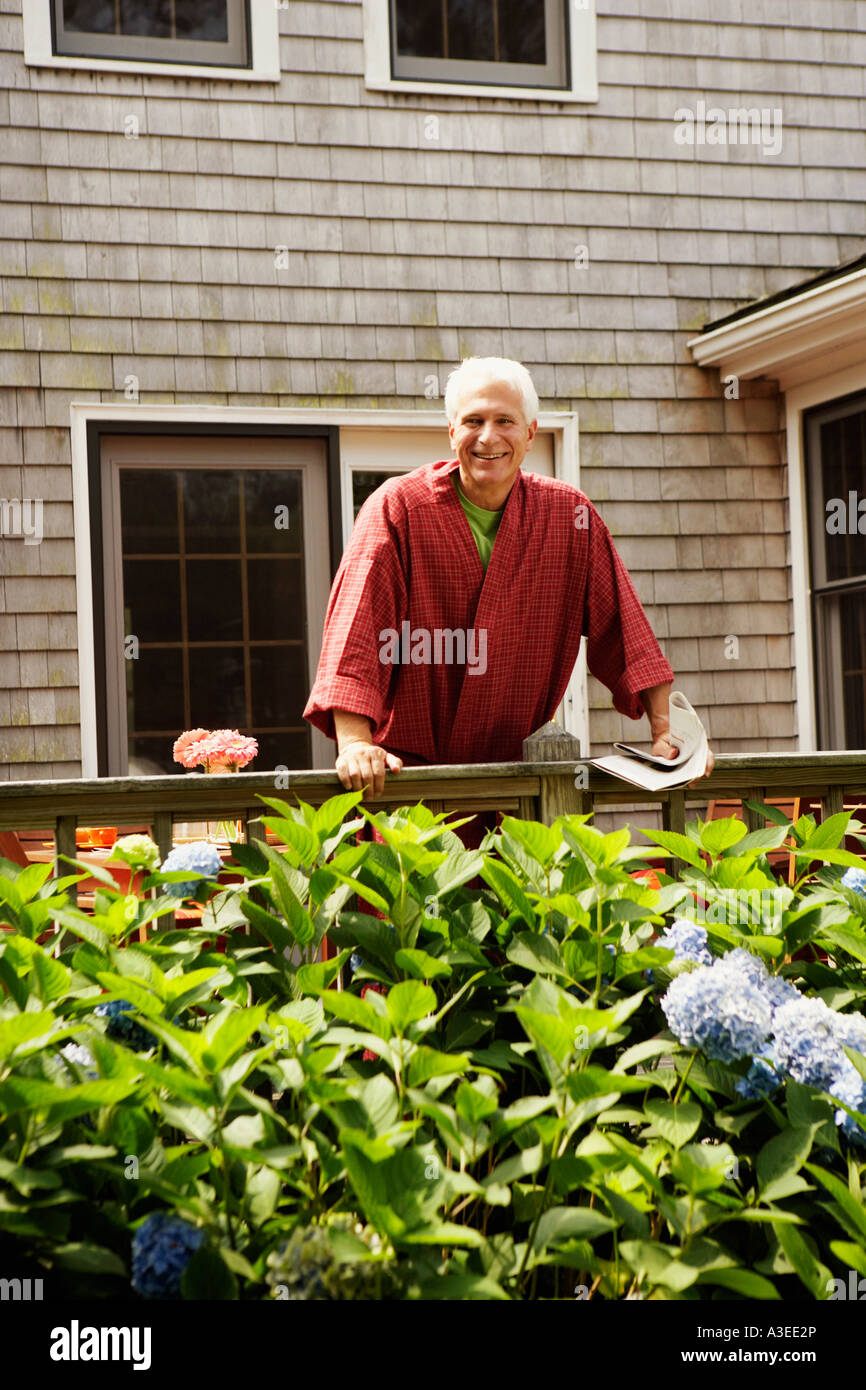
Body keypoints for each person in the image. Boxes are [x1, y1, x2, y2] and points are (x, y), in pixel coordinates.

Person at [303, 357, 714, 815]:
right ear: (451, 432)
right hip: (407, 787)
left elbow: (625, 630)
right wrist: (356, 744)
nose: (488, 437)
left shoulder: (570, 518)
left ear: (531, 434)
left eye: (505, 421)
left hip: (519, 789)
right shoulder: (397, 508)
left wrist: (667, 733)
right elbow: (357, 632)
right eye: (473, 421)